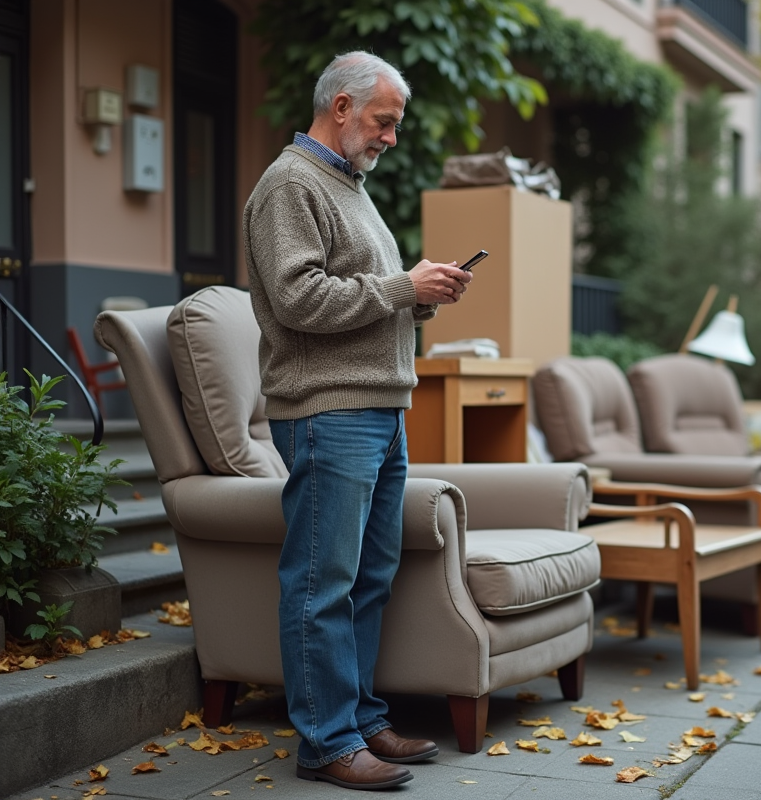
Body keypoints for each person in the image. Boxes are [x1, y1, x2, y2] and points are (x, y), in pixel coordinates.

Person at [243, 51, 472, 791]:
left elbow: (360, 290)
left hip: (377, 407)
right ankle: (327, 742)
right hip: (328, 410)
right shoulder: (290, 183)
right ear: (340, 107)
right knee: (322, 583)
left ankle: (362, 717)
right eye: (383, 121)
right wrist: (400, 286)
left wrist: (421, 294)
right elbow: (299, 300)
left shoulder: (347, 185)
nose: (390, 137)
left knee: (369, 577)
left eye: (394, 124)